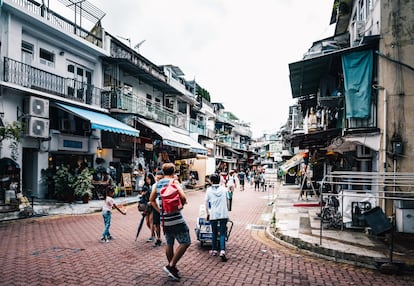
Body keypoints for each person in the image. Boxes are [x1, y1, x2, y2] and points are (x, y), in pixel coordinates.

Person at [149, 163, 190, 281]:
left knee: (169, 242)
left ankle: (173, 268)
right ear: (173, 172)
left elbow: (151, 200)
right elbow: (184, 197)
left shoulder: (157, 184)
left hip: (164, 219)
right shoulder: (174, 182)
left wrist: (160, 211)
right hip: (176, 218)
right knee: (185, 241)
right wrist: (181, 206)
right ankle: (171, 265)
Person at [205, 173, 229, 262]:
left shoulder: (208, 190)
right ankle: (222, 251)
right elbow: (228, 200)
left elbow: (206, 202)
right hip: (223, 213)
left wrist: (207, 213)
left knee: (214, 232)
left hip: (213, 214)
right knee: (222, 233)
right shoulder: (224, 189)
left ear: (211, 181)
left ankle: (214, 250)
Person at [140, 173, 156, 242]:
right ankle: (154, 233)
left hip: (152, 206)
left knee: (151, 221)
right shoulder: (145, 187)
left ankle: (152, 236)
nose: (147, 180)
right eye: (146, 179)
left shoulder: (154, 186)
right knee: (147, 222)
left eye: (148, 179)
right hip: (147, 207)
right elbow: (142, 196)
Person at [150, 170, 164, 247]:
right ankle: (159, 238)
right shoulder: (154, 186)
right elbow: (152, 198)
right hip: (156, 207)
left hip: (165, 208)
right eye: (157, 178)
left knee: (165, 224)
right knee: (156, 224)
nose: (158, 180)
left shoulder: (165, 185)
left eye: (160, 178)